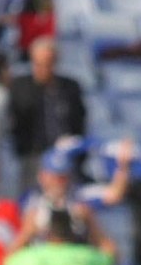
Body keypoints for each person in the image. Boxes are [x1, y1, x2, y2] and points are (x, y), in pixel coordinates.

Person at [7, 37, 84, 191]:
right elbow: (16, 120)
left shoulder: (69, 87)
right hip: (32, 156)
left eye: (48, 63)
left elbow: (79, 120)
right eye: (38, 63)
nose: (43, 68)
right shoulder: (21, 86)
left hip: (64, 156)